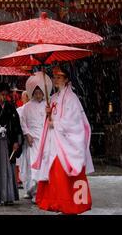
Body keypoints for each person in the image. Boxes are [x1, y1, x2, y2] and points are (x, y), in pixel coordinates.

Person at [32, 66, 94, 215]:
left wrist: (56, 124)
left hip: (66, 144)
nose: (56, 80)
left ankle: (70, 203)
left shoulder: (72, 99)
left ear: (66, 80)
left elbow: (74, 122)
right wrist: (48, 114)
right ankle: (56, 202)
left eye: (59, 77)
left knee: (64, 174)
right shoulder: (53, 98)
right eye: (54, 77)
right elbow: (50, 120)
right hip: (54, 142)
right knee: (54, 174)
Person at [18, 72, 51, 203]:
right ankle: (34, 192)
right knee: (33, 166)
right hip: (32, 139)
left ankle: (44, 191)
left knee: (45, 164)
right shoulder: (27, 107)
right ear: (33, 93)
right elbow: (22, 121)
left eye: (41, 93)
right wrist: (27, 134)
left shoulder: (46, 105)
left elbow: (50, 121)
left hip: (45, 138)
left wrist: (50, 114)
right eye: (36, 93)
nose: (38, 95)